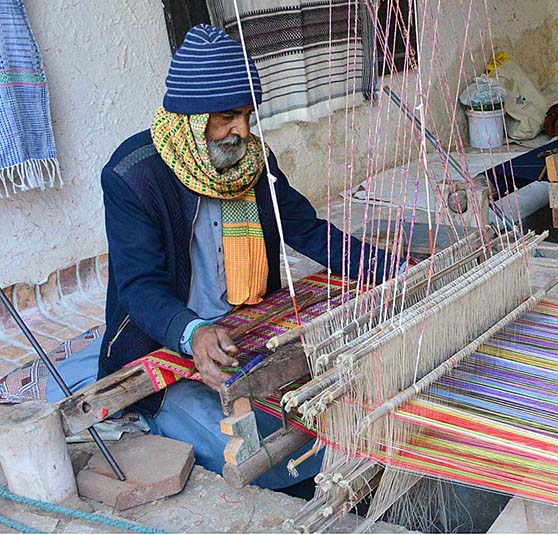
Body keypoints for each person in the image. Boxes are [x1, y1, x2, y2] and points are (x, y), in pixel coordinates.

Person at [46, 24, 387, 492]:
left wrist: (393, 270)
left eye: (248, 115)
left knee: (337, 415)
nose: (241, 131)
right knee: (263, 457)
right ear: (190, 116)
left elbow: (306, 230)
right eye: (227, 116)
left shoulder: (253, 161)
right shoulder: (133, 175)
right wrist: (194, 332)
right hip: (168, 346)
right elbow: (139, 286)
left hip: (245, 331)